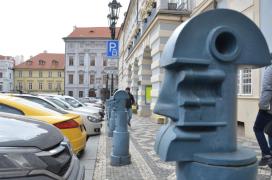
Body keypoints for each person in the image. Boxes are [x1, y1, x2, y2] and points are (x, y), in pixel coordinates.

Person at [254, 65, 272, 167]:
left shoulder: (270, 68)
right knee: (270, 131)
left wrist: (263, 106)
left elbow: (267, 88)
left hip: (268, 107)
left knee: (257, 128)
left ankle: (266, 155)